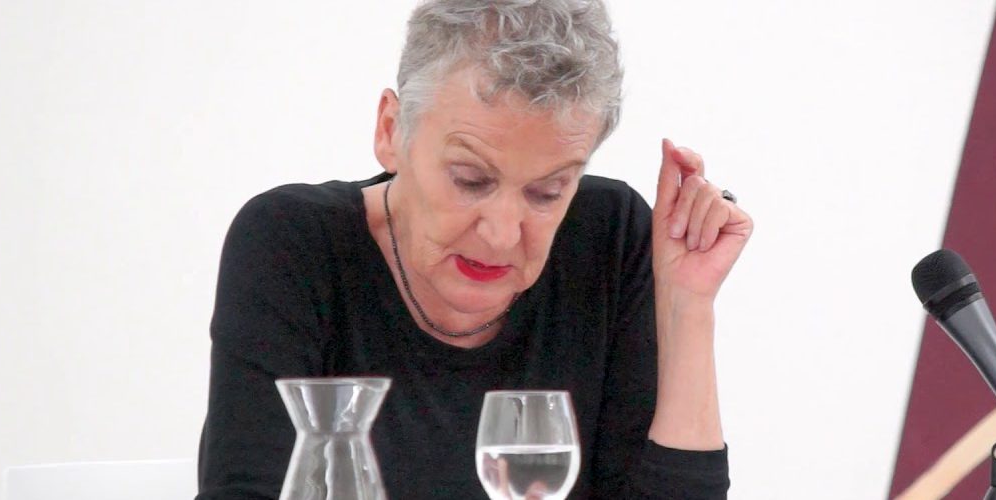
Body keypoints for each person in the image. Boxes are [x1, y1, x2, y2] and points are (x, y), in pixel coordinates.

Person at [195, 0, 752, 498]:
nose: (502, 234)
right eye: (470, 179)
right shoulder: (293, 244)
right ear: (391, 130)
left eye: (547, 192)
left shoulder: (611, 237)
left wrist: (687, 306)